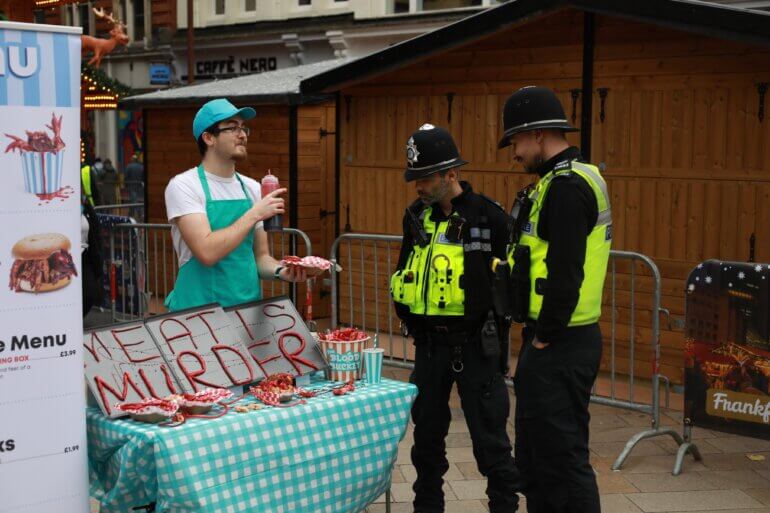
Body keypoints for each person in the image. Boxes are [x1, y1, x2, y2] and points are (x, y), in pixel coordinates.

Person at [391, 124, 520, 513]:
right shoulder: (415, 217)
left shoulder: (490, 218)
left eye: (426, 178)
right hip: (429, 347)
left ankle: (504, 506)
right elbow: (406, 271)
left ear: (451, 174)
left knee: (491, 442)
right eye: (415, 178)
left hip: (476, 345)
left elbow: (507, 286)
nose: (418, 187)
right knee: (426, 442)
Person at [497, 86, 611, 513]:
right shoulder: (562, 181)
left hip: (560, 342)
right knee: (539, 459)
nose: (515, 152)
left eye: (517, 141)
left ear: (539, 133)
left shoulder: (565, 188)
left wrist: (544, 337)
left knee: (561, 461)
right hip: (558, 340)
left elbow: (566, 271)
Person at [164, 98, 306, 311]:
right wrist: (254, 214)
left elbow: (260, 258)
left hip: (246, 313)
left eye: (243, 128)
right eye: (232, 127)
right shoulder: (184, 186)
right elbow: (206, 252)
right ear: (209, 137)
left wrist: (281, 271)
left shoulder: (252, 188)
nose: (242, 135)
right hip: (197, 316)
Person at [81, 193, 104, 316]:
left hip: (84, 255)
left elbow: (95, 227)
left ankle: (78, 319)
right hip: (65, 256)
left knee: (89, 293)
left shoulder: (85, 207)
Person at [125, 152, 144, 219]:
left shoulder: (129, 166)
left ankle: (131, 215)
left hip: (131, 186)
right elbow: (143, 177)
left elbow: (126, 177)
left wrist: (126, 185)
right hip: (139, 186)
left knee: (132, 201)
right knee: (139, 201)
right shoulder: (141, 167)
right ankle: (140, 214)